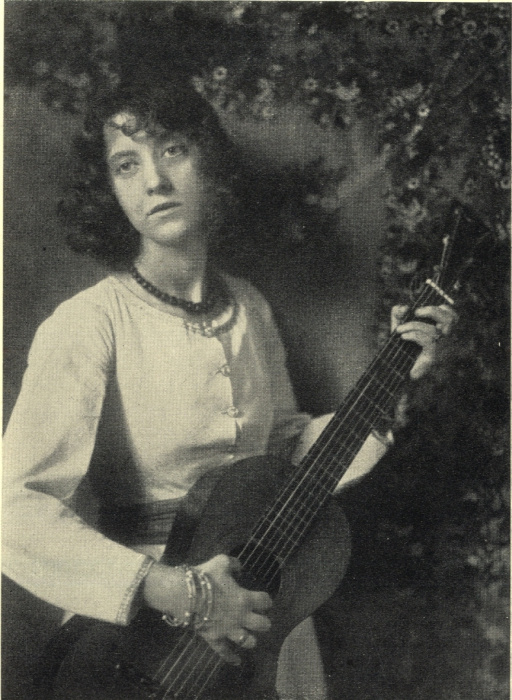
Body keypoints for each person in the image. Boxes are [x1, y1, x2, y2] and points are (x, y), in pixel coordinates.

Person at [2, 74, 455, 700]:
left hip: (261, 623)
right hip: (144, 639)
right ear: (109, 189)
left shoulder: (249, 306)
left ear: (210, 164)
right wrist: (179, 592)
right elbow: (13, 508)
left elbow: (285, 457)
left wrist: (393, 382)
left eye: (173, 150)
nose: (155, 181)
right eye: (127, 165)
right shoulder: (88, 323)